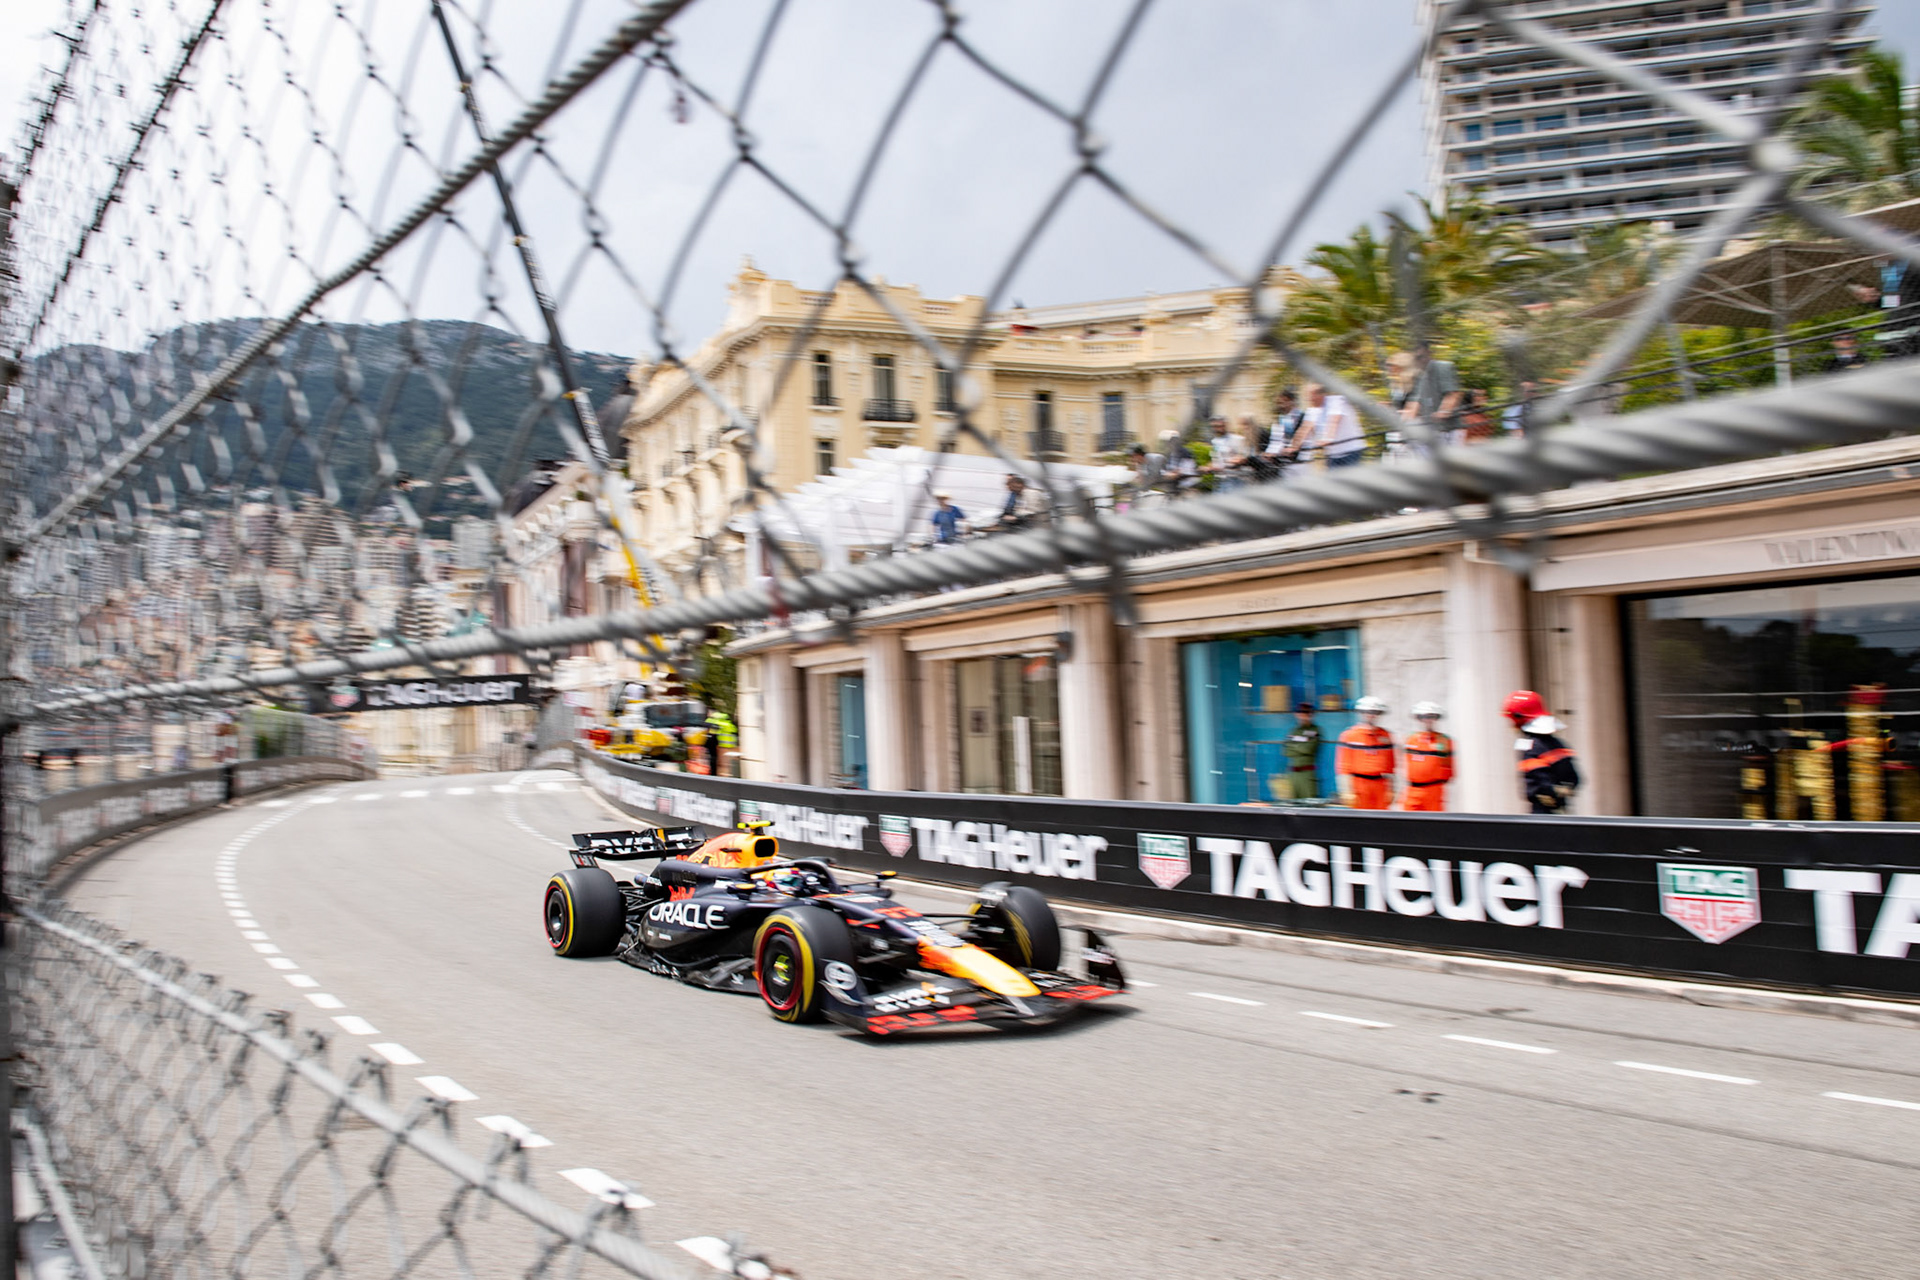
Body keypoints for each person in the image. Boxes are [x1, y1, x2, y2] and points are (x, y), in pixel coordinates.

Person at [1504, 689, 1580, 814]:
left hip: (1542, 812)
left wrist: (1549, 794)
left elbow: (1539, 782)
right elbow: (1574, 779)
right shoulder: (1558, 744)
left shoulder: (1530, 747)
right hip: (1562, 810)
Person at [1337, 695, 1395, 810]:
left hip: (1380, 784)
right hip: (1359, 785)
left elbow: (1390, 766)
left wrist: (1392, 788)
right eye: (1368, 712)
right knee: (1361, 819)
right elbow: (1344, 766)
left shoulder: (1386, 736)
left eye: (1375, 712)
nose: (1372, 715)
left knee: (1382, 818)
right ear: (1361, 713)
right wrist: (1345, 791)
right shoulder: (1349, 735)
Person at [1404, 342, 1462, 441]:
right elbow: (1415, 402)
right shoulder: (1420, 375)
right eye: (1416, 358)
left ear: (1428, 353)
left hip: (1449, 429)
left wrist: (1444, 411)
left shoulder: (1443, 367)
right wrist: (1406, 422)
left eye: (1421, 357)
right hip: (1431, 431)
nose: (1420, 361)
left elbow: (1453, 394)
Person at [1402, 701, 1454, 811]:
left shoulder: (1444, 740)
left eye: (1431, 717)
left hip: (1433, 789)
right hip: (1413, 789)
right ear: (1418, 718)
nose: (1427, 720)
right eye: (1424, 717)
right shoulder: (1411, 739)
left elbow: (1449, 767)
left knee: (1434, 821)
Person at [1303, 383, 1365, 469]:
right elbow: (1304, 430)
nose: (1308, 399)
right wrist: (1293, 447)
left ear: (1319, 395)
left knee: (1349, 480)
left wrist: (1328, 439)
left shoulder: (1336, 401)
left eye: (1310, 395)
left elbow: (1334, 421)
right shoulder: (1313, 410)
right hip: (1333, 454)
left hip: (1350, 450)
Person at [1281, 701, 1323, 801]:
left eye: (1307, 713)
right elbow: (1286, 751)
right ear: (1297, 714)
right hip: (1293, 774)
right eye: (1301, 713)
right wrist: (1302, 745)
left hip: (1307, 774)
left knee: (1310, 804)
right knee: (1293, 804)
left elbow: (1308, 749)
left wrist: (1295, 745)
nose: (1304, 716)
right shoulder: (1294, 731)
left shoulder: (1315, 730)